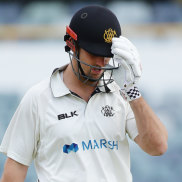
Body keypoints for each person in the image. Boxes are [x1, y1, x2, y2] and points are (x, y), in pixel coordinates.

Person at [0, 5, 168, 182]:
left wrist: (132, 90)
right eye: (93, 53)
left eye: (106, 55)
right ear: (72, 44)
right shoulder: (38, 98)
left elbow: (157, 147)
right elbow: (14, 170)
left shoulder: (122, 93)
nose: (100, 63)